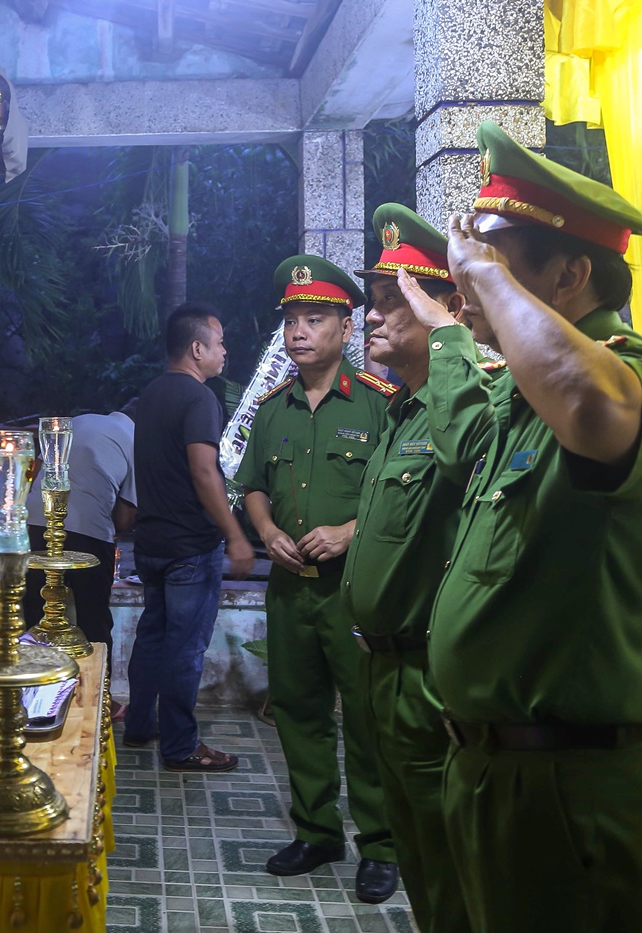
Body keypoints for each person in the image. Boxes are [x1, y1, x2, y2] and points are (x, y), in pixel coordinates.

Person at [425, 120, 642, 932]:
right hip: (491, 770)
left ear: (571, 275)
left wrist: (480, 264)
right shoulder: (521, 402)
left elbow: (594, 404)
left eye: (494, 269)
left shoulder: (618, 383)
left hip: (570, 788)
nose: (467, 291)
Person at [232, 255, 398, 903]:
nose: (299, 332)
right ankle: (317, 830)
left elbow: (398, 493)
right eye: (292, 321)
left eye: (314, 319)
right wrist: (265, 530)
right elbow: (251, 485)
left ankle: (380, 844)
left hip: (354, 591)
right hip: (290, 589)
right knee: (299, 712)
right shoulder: (273, 408)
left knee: (365, 718)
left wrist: (347, 533)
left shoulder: (382, 404)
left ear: (345, 326)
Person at [341, 204, 481, 932]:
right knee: (421, 866)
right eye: (377, 300)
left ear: (447, 307)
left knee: (455, 870)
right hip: (382, 674)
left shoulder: (462, 412)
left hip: (431, 680)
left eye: (398, 301)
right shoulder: (399, 413)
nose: (375, 316)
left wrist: (457, 343)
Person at [125, 303, 254, 772]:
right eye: (218, 343)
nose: (224, 351)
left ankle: (140, 723)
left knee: (153, 637)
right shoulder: (201, 399)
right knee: (185, 647)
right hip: (189, 548)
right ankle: (180, 746)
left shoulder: (152, 392)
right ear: (197, 349)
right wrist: (235, 535)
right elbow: (204, 471)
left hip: (152, 543)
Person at [21, 409, 137, 672]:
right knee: (93, 619)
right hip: (90, 531)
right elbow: (126, 514)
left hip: (37, 521)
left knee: (33, 617)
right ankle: (98, 695)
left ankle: (31, 691)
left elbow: (37, 468)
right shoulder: (135, 441)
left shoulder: (80, 420)